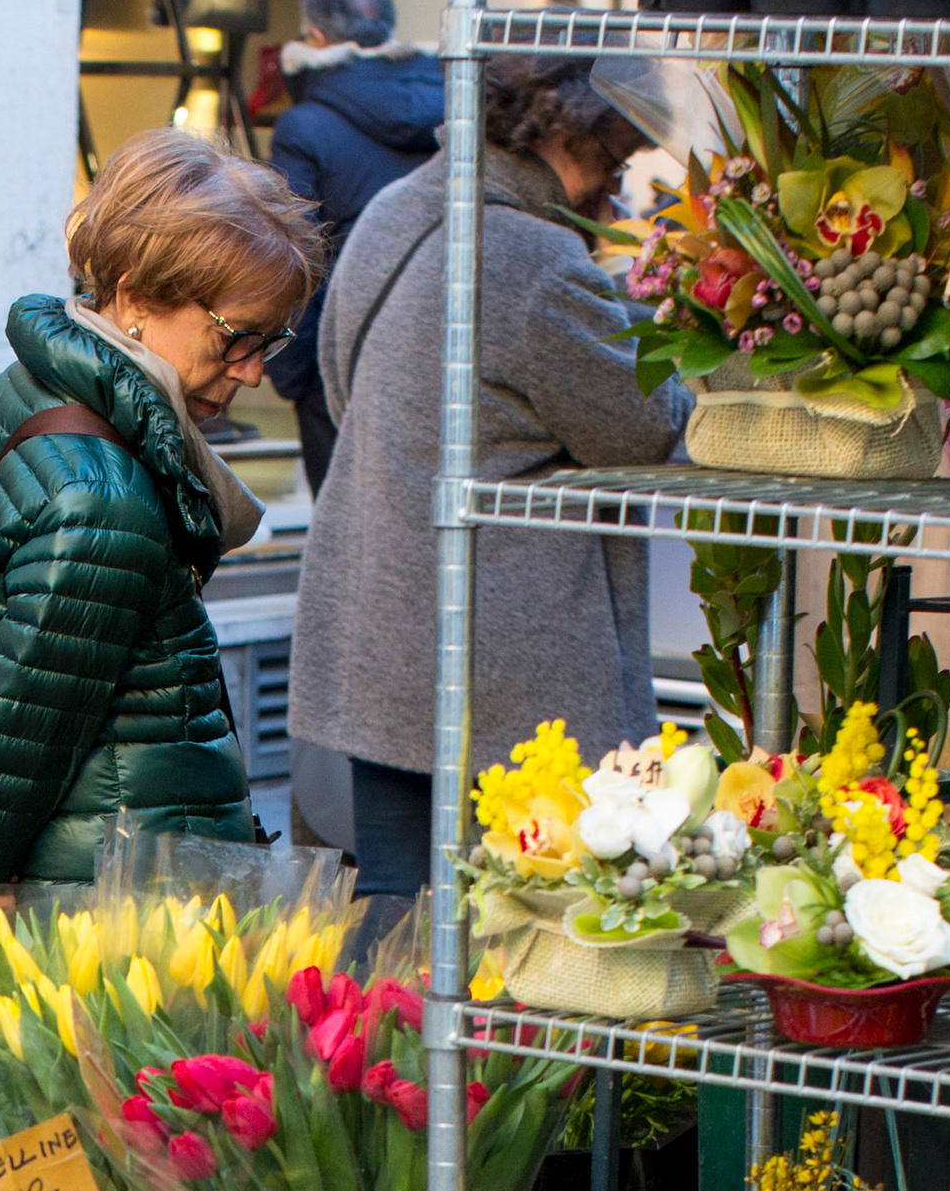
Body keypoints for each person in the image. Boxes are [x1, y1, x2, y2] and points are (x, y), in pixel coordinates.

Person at [0, 128, 326, 886]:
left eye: (273, 342)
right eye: (238, 337)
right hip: (103, 919)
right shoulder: (103, 501)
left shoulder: (31, 385)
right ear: (134, 299)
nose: (252, 372)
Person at [288, 57, 686, 904]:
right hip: (506, 660)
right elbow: (646, 429)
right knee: (526, 912)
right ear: (560, 130)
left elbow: (336, 382)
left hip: (382, 628)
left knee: (395, 897)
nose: (612, 191)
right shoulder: (534, 256)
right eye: (609, 161)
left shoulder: (392, 212)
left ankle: (388, 1041)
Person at [262, 0, 443, 497]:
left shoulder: (305, 125)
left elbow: (293, 250)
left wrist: (292, 371)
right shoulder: (453, 103)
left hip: (339, 355)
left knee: (348, 535)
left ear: (315, 38)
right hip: (442, 347)